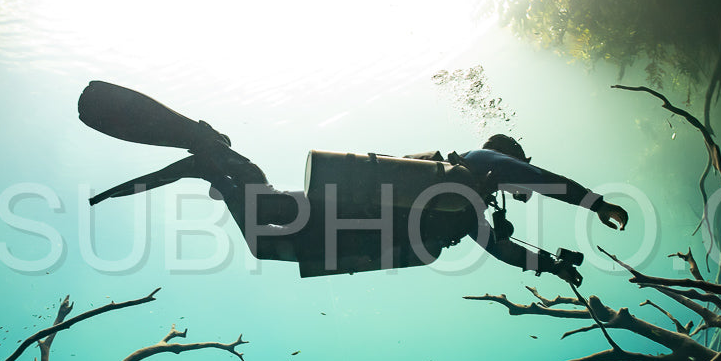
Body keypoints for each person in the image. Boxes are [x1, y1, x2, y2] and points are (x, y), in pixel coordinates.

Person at [79, 81, 628, 284]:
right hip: (344, 208)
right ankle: (210, 147)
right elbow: (527, 176)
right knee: (265, 206)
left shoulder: (467, 211)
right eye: (511, 173)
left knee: (261, 236)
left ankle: (211, 164)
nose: (515, 188)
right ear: (501, 159)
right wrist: (592, 202)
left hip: (350, 229)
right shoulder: (476, 162)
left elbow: (502, 250)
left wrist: (551, 267)